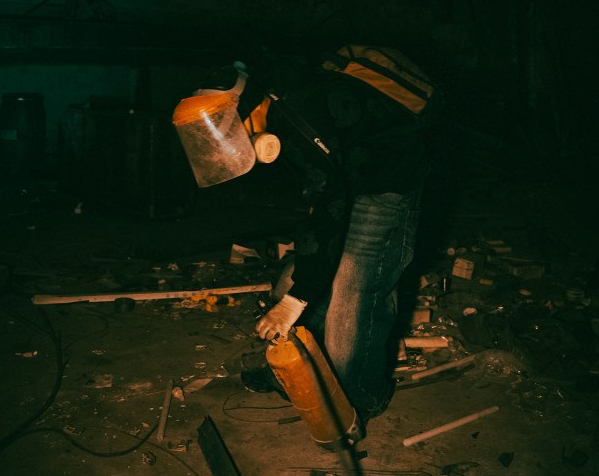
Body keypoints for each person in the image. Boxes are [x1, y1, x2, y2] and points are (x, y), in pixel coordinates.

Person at [172, 44, 440, 427]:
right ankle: (297, 372)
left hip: (388, 172)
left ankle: (360, 395)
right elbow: (318, 193)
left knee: (354, 283)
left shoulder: (298, 110)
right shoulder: (271, 105)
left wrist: (297, 300)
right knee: (300, 273)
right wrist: (301, 285)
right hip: (346, 170)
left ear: (239, 107)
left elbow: (329, 201)